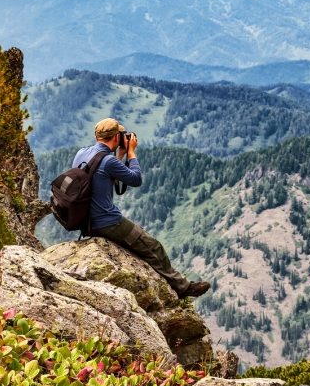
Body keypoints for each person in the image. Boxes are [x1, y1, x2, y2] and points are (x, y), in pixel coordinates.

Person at [73, 118, 209, 299]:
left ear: (97, 136)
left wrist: (119, 154)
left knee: (144, 242)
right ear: (116, 137)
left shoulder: (82, 153)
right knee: (153, 246)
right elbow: (135, 179)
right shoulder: (108, 161)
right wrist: (130, 152)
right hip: (107, 221)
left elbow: (102, 175)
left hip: (87, 221)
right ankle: (184, 288)